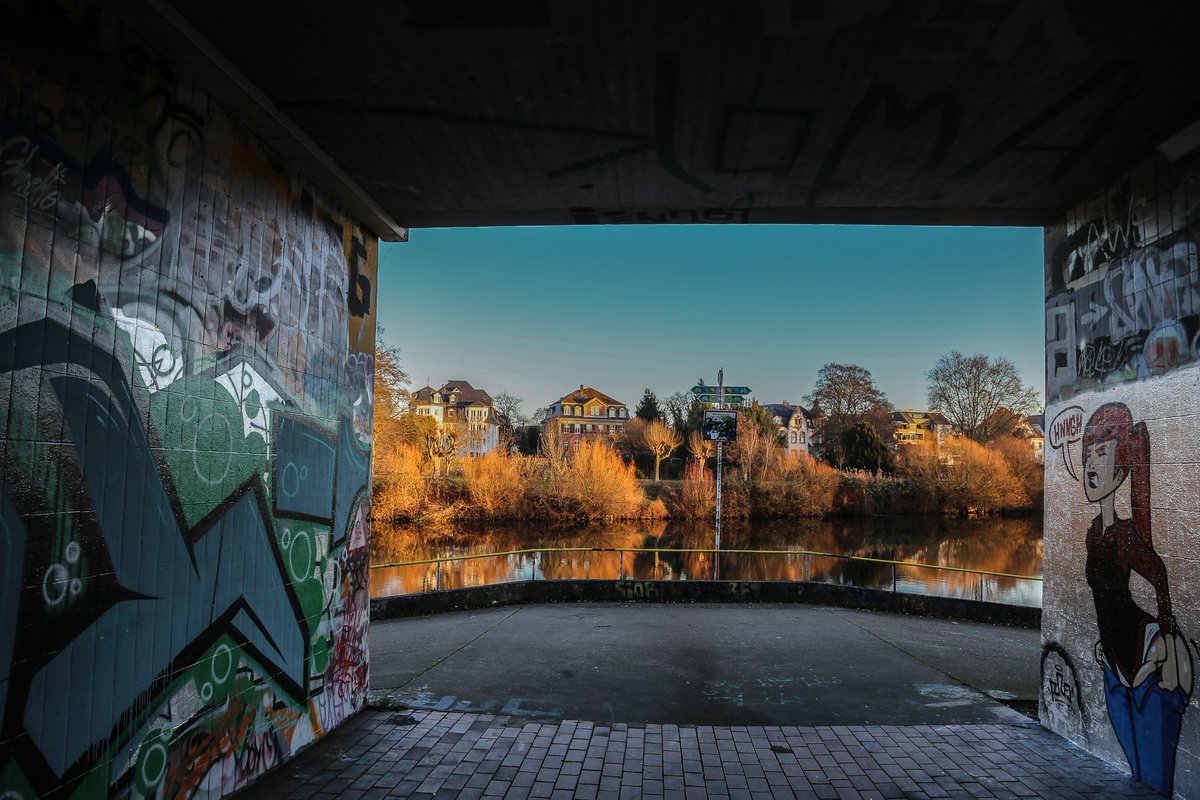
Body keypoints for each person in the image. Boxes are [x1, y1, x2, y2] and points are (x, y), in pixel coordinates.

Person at [1082, 402, 1192, 795]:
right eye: (1088, 456)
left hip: (1141, 652)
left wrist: (1165, 631)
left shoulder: (1124, 535)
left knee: (1153, 767)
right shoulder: (1093, 533)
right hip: (1113, 657)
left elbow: (1160, 574)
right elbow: (1104, 598)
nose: (1091, 466)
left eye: (1101, 455)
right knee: (1135, 760)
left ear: (1123, 470)